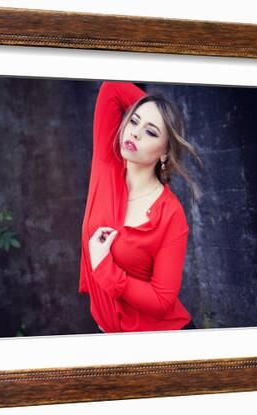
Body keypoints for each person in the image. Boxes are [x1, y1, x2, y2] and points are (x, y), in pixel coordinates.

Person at [78, 81, 203, 333]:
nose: (134, 133)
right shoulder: (107, 164)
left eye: (151, 132)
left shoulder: (170, 213)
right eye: (133, 121)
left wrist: (106, 268)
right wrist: (158, 110)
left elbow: (162, 300)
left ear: (165, 152)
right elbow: (112, 88)